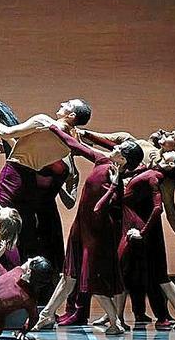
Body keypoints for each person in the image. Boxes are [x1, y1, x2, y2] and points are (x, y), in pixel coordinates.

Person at [69, 126, 175, 326]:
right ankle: (120, 317)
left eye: (173, 140)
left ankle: (122, 318)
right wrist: (87, 137)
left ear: (174, 159)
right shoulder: (150, 166)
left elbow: (160, 209)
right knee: (131, 273)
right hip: (128, 221)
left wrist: (145, 232)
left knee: (137, 273)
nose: (167, 134)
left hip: (136, 226)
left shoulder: (158, 177)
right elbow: (115, 147)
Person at [32, 122, 144, 335]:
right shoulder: (102, 160)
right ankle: (47, 315)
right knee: (69, 275)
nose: (115, 148)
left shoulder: (118, 182)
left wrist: (113, 184)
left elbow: (100, 208)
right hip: (81, 227)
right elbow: (76, 145)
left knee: (91, 278)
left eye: (119, 149)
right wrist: (55, 129)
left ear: (123, 159)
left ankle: (114, 323)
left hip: (98, 233)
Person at [0, 99, 88, 271]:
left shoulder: (43, 121)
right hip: (28, 184)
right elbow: (32, 153)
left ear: (71, 115)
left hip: (12, 175)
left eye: (68, 104)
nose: (62, 102)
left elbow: (4, 131)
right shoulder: (68, 145)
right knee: (20, 228)